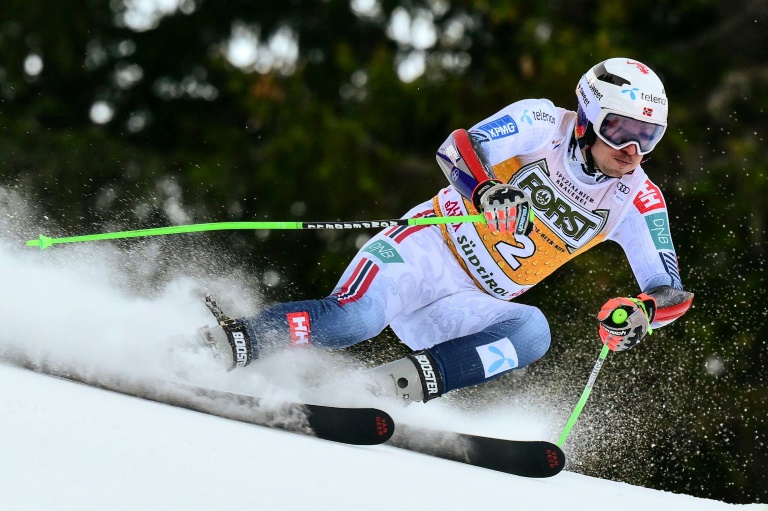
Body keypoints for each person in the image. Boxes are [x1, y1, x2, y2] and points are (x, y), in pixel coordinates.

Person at [201, 58, 694, 403]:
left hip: (466, 302)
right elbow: (456, 146)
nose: (634, 150)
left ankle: (382, 391)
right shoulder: (542, 121)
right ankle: (228, 344)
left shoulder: (637, 198)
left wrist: (643, 311)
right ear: (587, 119)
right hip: (426, 251)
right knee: (354, 321)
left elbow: (671, 290)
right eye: (621, 130)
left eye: (648, 136)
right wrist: (484, 192)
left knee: (532, 332)